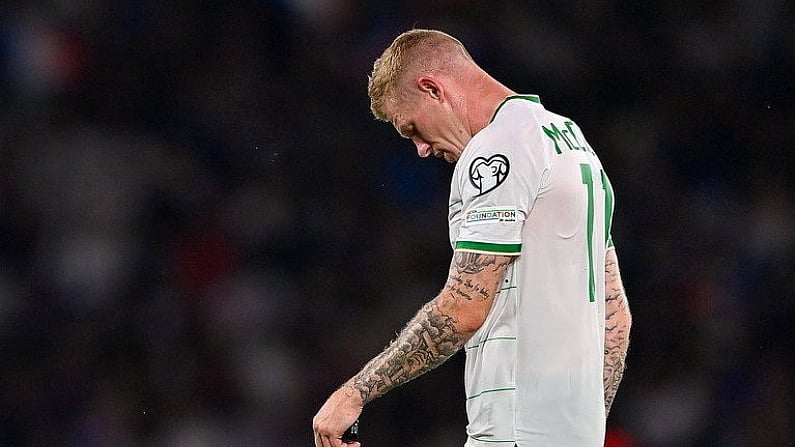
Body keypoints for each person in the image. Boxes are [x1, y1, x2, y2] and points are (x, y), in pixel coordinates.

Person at [312, 28, 632, 447]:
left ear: (432, 89)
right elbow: (616, 318)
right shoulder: (572, 140)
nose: (421, 149)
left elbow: (463, 306)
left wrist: (354, 393)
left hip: (513, 434)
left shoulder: (497, 150)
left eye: (412, 129)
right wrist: (581, 427)